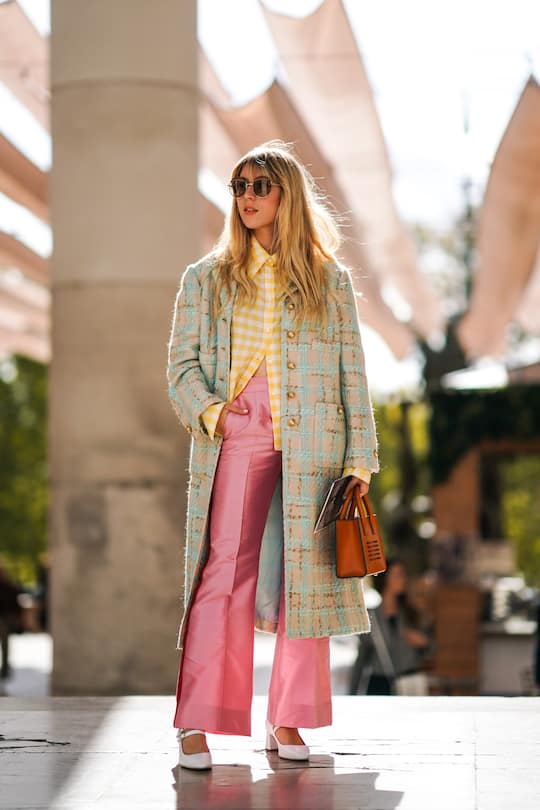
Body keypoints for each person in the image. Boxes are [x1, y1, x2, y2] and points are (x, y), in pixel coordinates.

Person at [167, 140, 379, 769]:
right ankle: (198, 719)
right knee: (223, 570)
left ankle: (287, 720)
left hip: (316, 442)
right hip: (238, 433)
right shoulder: (206, 277)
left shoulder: (329, 280)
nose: (248, 197)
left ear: (287, 195)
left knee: (305, 577)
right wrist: (213, 413)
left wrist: (359, 461)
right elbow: (181, 367)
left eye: (260, 185)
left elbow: (353, 374)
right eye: (239, 186)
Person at [348, 557, 432, 695]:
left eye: (403, 574)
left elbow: (432, 647)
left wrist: (424, 642)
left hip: (408, 682)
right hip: (379, 684)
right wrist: (352, 693)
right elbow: (361, 658)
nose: (403, 579)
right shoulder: (371, 617)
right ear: (385, 579)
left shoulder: (412, 613)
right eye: (398, 575)